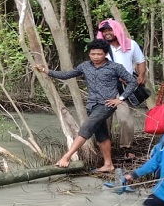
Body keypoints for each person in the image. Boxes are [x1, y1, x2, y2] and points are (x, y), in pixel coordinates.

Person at [37, 39, 138, 172]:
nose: (96, 57)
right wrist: (45, 70)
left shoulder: (115, 67)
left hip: (106, 105)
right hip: (92, 105)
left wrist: (120, 98)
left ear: (106, 54)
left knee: (86, 128)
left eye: (99, 54)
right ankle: (108, 165)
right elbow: (67, 74)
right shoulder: (85, 66)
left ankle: (66, 157)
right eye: (92, 54)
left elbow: (133, 82)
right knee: (101, 135)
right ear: (89, 54)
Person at [96, 19, 147, 157]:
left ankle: (126, 148)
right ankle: (104, 149)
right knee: (102, 120)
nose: (107, 33)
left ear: (117, 29)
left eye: (109, 30)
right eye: (104, 31)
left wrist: (141, 76)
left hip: (124, 89)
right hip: (105, 88)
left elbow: (140, 61)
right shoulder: (101, 47)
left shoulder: (131, 44)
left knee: (125, 119)